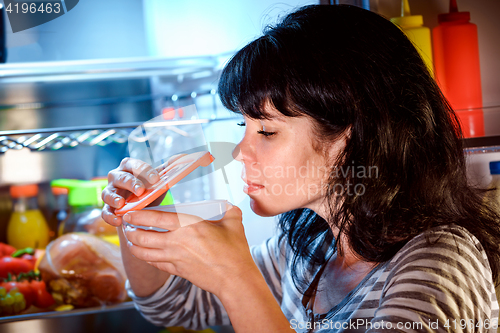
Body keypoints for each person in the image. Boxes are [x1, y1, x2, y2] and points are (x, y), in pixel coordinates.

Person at [101, 5, 500, 333]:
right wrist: (137, 213)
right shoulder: (310, 251)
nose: (240, 152)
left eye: (267, 131)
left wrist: (236, 278)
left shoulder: (439, 262)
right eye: (245, 127)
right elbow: (174, 307)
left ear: (350, 136)